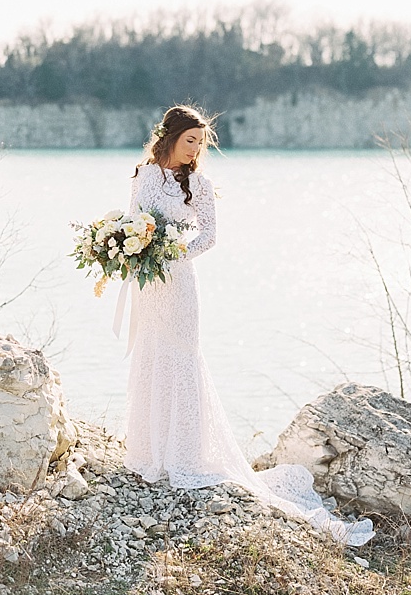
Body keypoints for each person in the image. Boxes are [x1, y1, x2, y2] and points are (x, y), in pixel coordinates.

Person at [120, 104, 373, 545]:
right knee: (150, 354)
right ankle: (149, 451)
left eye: (201, 142)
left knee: (181, 360)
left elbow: (209, 237)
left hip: (178, 285)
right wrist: (131, 248)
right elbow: (130, 223)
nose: (196, 149)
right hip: (149, 284)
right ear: (170, 137)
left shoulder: (197, 184)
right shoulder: (144, 176)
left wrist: (172, 255)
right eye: (190, 140)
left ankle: (185, 454)